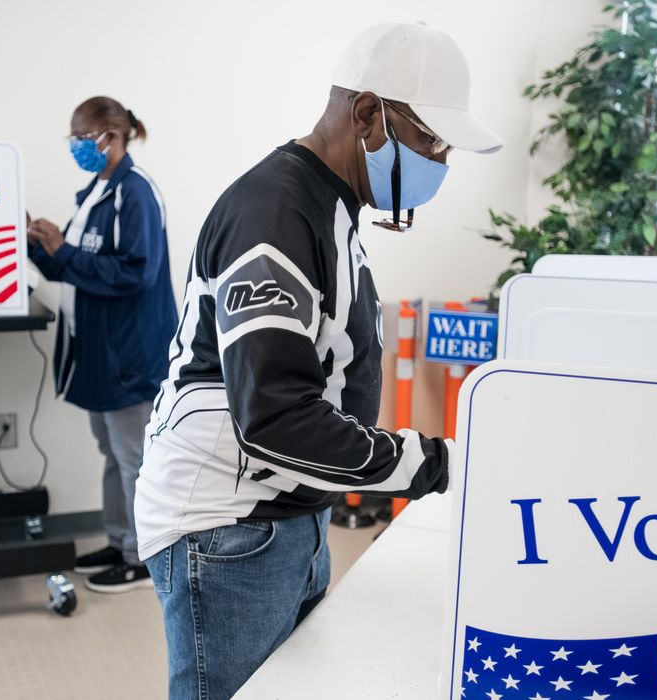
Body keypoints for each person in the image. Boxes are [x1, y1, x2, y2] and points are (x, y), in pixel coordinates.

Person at [135, 22, 503, 698]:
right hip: (228, 525)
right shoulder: (274, 214)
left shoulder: (325, 205)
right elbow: (274, 418)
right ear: (367, 113)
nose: (440, 163)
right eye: (429, 141)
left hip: (281, 513)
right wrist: (438, 462)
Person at [26, 97, 176, 593]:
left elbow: (137, 273)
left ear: (110, 136)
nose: (75, 148)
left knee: (134, 457)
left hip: (130, 353)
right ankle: (118, 541)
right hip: (98, 353)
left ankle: (142, 557)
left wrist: (64, 252)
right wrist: (37, 244)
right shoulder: (95, 193)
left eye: (80, 138)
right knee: (112, 453)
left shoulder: (135, 194)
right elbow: (72, 266)